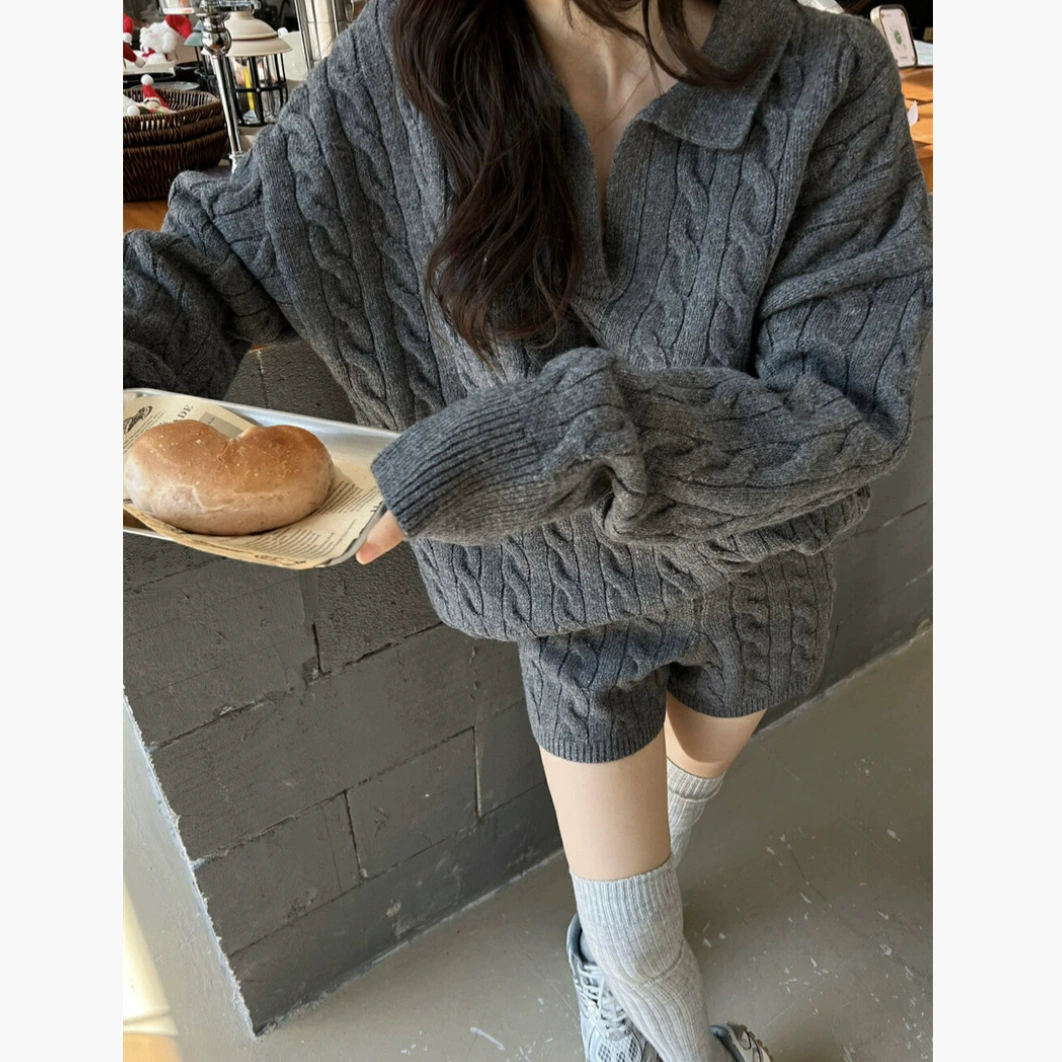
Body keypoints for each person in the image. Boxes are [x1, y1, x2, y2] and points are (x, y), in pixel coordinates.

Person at [124, 0, 932, 1058]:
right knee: (640, 937)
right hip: (561, 606)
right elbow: (208, 263)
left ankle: (617, 926)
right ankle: (640, 1007)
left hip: (752, 578)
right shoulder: (403, 56)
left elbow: (843, 413)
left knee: (666, 830)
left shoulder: (826, 73)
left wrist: (556, 436)